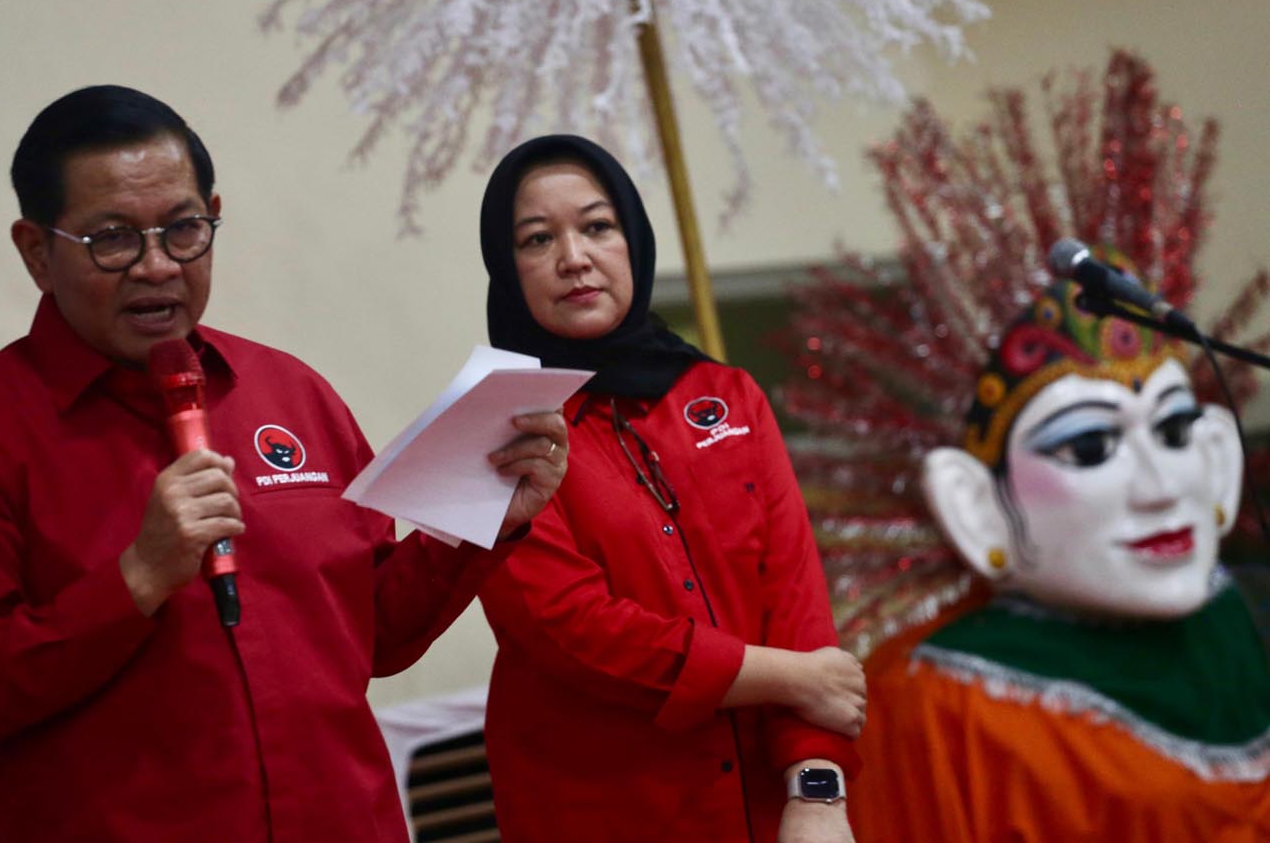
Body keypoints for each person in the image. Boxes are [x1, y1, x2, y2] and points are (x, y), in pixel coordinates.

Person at [0, 85, 569, 842]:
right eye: (112, 239)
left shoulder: (290, 392)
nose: (156, 266)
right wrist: (137, 579)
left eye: (183, 230)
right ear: (37, 252)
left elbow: (376, 636)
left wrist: (479, 514)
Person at [474, 134, 865, 843]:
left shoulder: (726, 394)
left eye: (597, 226)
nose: (574, 257)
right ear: (507, 269)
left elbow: (796, 600)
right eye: (537, 239)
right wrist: (786, 676)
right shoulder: (494, 429)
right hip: (606, 811)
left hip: (770, 807)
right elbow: (575, 632)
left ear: (634, 238)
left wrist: (817, 789)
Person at [845, 273, 1270, 840]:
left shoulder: (1230, 617)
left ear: (1217, 455)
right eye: (1090, 447)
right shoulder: (934, 701)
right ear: (976, 506)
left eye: (1173, 432)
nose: (1162, 486)